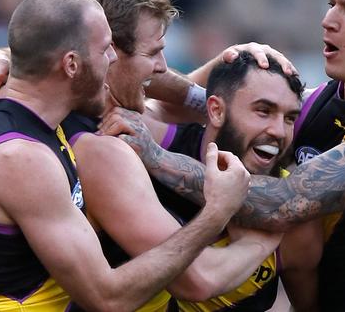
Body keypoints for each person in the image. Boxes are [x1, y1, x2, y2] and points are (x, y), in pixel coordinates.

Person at [103, 0, 345, 311]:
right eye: (331, 4)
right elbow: (163, 89)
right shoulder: (312, 104)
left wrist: (157, 157)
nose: (329, 20)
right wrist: (223, 66)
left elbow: (284, 203)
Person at [0, 0, 288, 311]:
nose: (162, 66)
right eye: (153, 53)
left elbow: (168, 93)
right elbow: (194, 280)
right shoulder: (94, 149)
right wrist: (260, 235)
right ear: (97, 53)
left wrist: (233, 65)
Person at [135, 51, 320, 311]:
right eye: (263, 111)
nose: (279, 131)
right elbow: (114, 71)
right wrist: (221, 59)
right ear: (216, 110)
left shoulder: (296, 217)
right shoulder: (147, 144)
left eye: (290, 118)